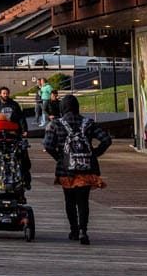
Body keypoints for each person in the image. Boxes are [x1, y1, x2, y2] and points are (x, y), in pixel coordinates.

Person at [42, 93, 111, 244]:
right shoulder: (88, 123)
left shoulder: (56, 124)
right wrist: (94, 153)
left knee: (69, 200)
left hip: (66, 169)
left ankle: (73, 229)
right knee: (83, 201)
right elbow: (106, 139)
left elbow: (47, 145)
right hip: (86, 168)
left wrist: (59, 157)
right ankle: (83, 230)